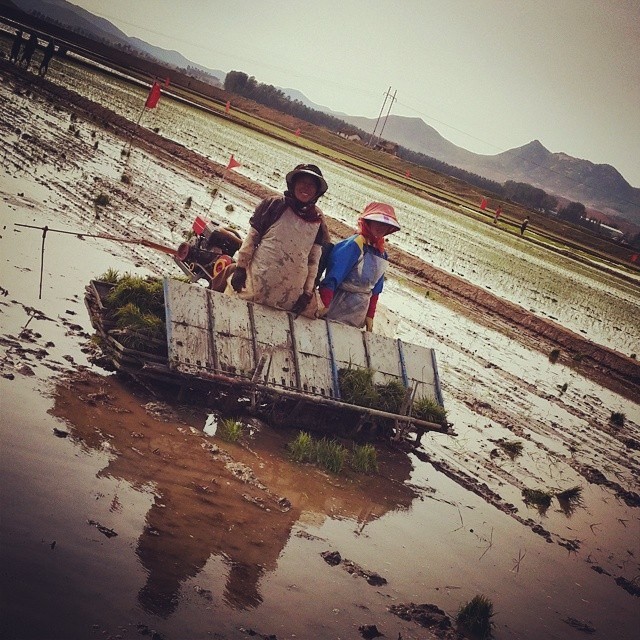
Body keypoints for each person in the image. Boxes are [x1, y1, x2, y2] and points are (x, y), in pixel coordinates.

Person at [228, 163, 330, 315]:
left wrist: (307, 292)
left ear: (317, 192)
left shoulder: (317, 220)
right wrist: (240, 268)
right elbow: (252, 238)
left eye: (311, 185)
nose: (306, 188)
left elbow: (313, 261)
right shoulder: (274, 205)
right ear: (293, 184)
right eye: (302, 182)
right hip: (257, 283)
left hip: (290, 297)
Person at [318, 202, 400, 331]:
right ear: (368, 222)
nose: (381, 227)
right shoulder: (354, 245)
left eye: (385, 225)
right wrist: (325, 303)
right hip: (338, 303)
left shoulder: (381, 253)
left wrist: (370, 314)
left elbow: (376, 288)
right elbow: (333, 277)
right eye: (377, 222)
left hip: (359, 310)